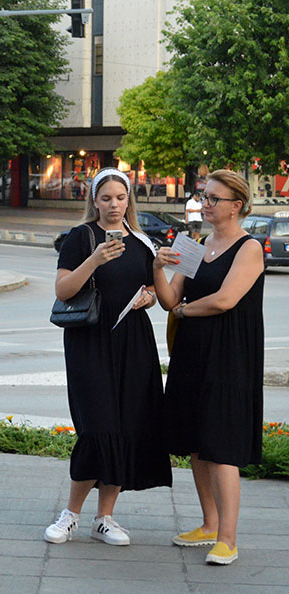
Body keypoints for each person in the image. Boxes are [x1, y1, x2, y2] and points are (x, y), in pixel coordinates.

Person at [44, 167, 172, 547]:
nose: (114, 205)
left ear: (129, 199)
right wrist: (95, 260)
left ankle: (106, 516)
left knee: (127, 426)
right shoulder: (80, 238)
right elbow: (64, 290)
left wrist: (149, 295)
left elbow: (154, 292)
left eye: (120, 198)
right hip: (90, 343)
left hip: (134, 343)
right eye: (106, 198)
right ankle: (71, 515)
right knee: (97, 428)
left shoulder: (143, 243)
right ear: (94, 201)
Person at [154, 170, 264, 566]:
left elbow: (225, 300)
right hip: (192, 353)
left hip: (229, 356)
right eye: (204, 196)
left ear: (237, 205)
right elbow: (168, 299)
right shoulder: (195, 244)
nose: (206, 203)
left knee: (221, 446)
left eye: (214, 198)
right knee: (197, 444)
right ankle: (209, 525)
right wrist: (157, 267)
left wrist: (185, 309)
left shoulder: (249, 248)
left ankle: (228, 539)